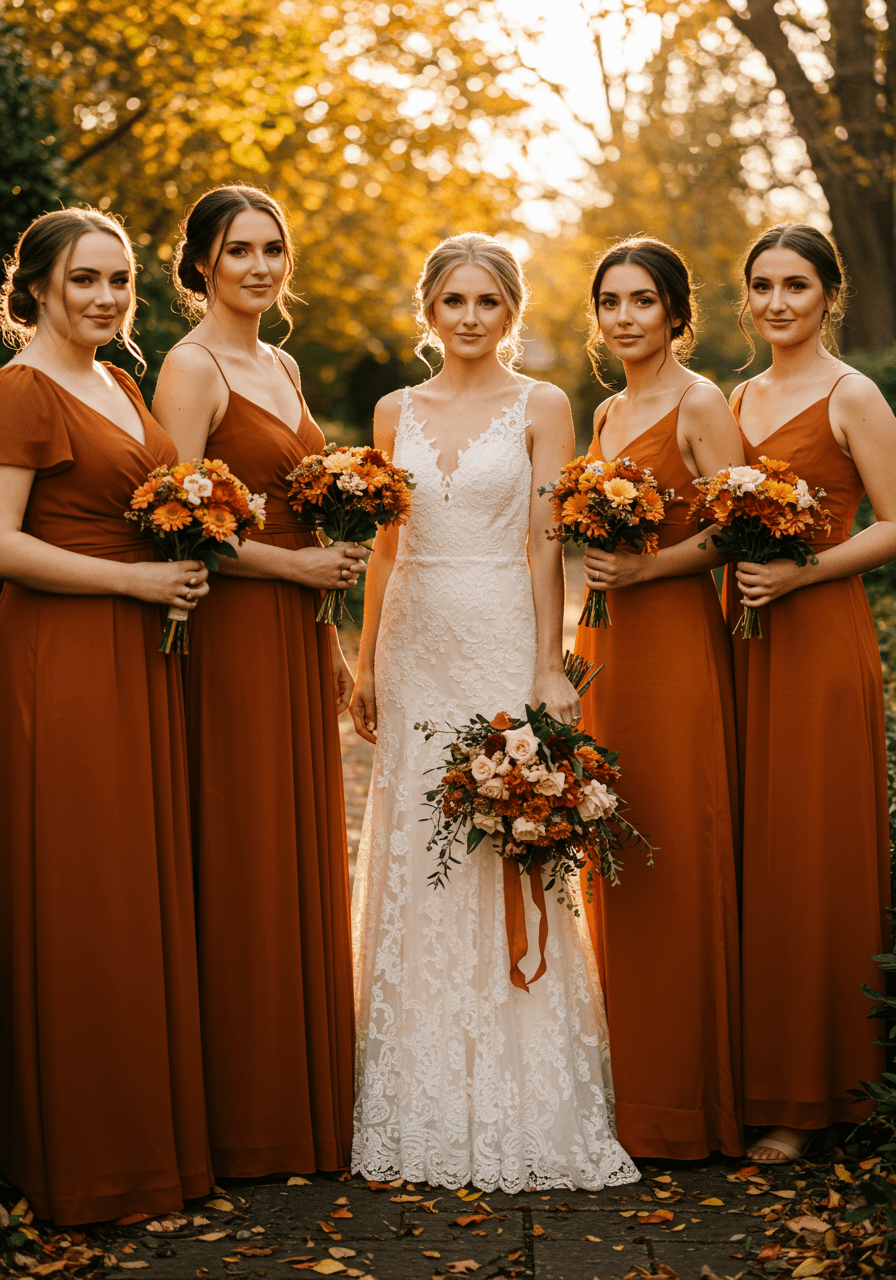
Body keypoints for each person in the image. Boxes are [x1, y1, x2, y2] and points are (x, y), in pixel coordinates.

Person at [348, 232, 639, 1192]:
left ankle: (525, 1090)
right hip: (414, 641)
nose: (468, 318)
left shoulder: (542, 404)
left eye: (486, 302)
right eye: (452, 302)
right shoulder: (393, 409)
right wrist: (363, 662)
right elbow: (386, 548)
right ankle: (417, 1086)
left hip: (499, 632)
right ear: (427, 309)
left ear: (510, 310)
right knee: (415, 841)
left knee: (506, 834)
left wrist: (548, 664)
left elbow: (546, 539)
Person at [0, 208, 212, 1224]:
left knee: (138, 878)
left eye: (119, 280)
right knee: (88, 887)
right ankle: (93, 1161)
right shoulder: (23, 390)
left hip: (142, 650)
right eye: (85, 278)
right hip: (70, 654)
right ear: (38, 285)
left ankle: (150, 1141)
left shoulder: (120, 381)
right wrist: (130, 588)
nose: (105, 296)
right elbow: (0, 542)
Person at [153, 185, 363, 1177]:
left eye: (272, 248)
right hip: (233, 627)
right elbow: (170, 517)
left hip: (292, 624)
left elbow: (303, 499)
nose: (259, 266)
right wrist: (289, 569)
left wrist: (326, 629)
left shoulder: (277, 361)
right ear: (198, 262)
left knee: (296, 840)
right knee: (243, 844)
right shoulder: (188, 369)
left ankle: (305, 1091)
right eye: (237, 249)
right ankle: (247, 1111)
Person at [729, 223, 896, 1164]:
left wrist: (804, 573)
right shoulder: (736, 398)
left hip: (819, 638)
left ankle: (813, 1097)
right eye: (763, 286)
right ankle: (747, 1078)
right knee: (753, 851)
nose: (778, 301)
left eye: (797, 284)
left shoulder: (852, 394)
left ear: (830, 294)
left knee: (809, 854)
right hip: (742, 640)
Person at [575, 237, 745, 1160]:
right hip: (610, 644)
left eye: (643, 300)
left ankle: (685, 1103)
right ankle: (626, 1089)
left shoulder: (701, 402)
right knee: (616, 853)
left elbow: (738, 528)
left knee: (677, 844)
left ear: (677, 312)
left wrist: (646, 574)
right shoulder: (605, 412)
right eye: (611, 302)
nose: (626, 317)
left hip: (675, 640)